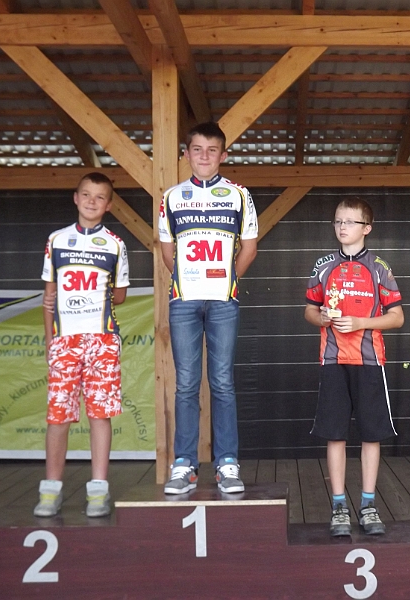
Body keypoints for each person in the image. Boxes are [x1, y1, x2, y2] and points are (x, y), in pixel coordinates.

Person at [158, 122, 258, 495]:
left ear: (223, 155)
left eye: (211, 149)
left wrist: (226, 281)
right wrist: (189, 280)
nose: (204, 156)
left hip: (223, 300)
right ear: (186, 154)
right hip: (184, 299)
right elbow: (166, 250)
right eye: (197, 149)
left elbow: (249, 248)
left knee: (222, 382)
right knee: (186, 383)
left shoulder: (239, 195)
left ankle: (227, 463)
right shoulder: (171, 197)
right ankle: (184, 464)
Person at [304, 197, 404, 537]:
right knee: (335, 434)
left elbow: (397, 317)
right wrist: (320, 317)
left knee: (371, 434)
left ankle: (368, 504)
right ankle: (338, 506)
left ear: (367, 228)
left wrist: (362, 322)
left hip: (369, 361)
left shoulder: (379, 267)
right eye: (338, 221)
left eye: (349, 221)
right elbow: (309, 310)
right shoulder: (323, 266)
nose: (342, 226)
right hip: (333, 360)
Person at [34, 172, 130, 518]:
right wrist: (51, 341)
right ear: (75, 197)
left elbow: (120, 294)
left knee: (99, 414)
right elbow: (48, 297)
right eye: (86, 194)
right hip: (65, 339)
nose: (92, 201)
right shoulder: (56, 240)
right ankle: (51, 490)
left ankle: (98, 490)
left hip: (102, 339)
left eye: (99, 196)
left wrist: (91, 297)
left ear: (109, 204)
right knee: (58, 416)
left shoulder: (116, 244)